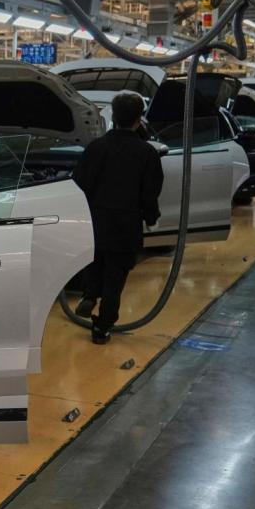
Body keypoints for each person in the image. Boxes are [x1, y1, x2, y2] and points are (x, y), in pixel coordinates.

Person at [72, 92, 165, 345]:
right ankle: (102, 327)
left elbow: (79, 183)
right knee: (115, 278)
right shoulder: (146, 153)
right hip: (126, 226)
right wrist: (152, 218)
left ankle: (89, 294)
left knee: (94, 264)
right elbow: (150, 192)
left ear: (112, 116)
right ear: (139, 119)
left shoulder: (96, 147)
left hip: (95, 222)